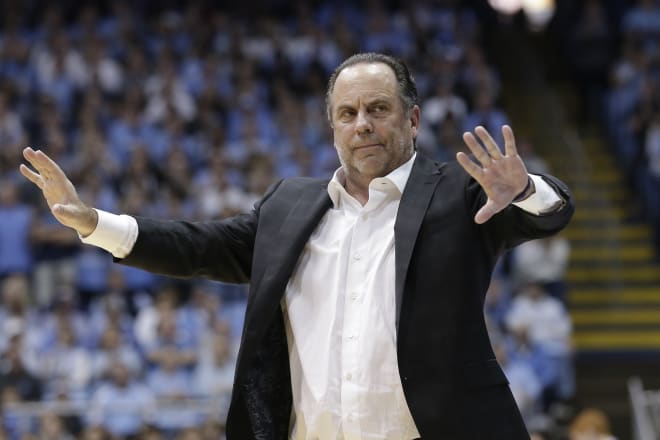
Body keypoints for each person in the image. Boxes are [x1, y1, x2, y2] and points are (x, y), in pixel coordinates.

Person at [21, 52, 574, 439]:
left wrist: (525, 191)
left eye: (378, 109)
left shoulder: (459, 193)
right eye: (348, 113)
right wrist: (94, 223)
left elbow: (550, 214)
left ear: (412, 118)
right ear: (332, 127)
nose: (363, 125)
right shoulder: (289, 203)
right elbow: (201, 246)